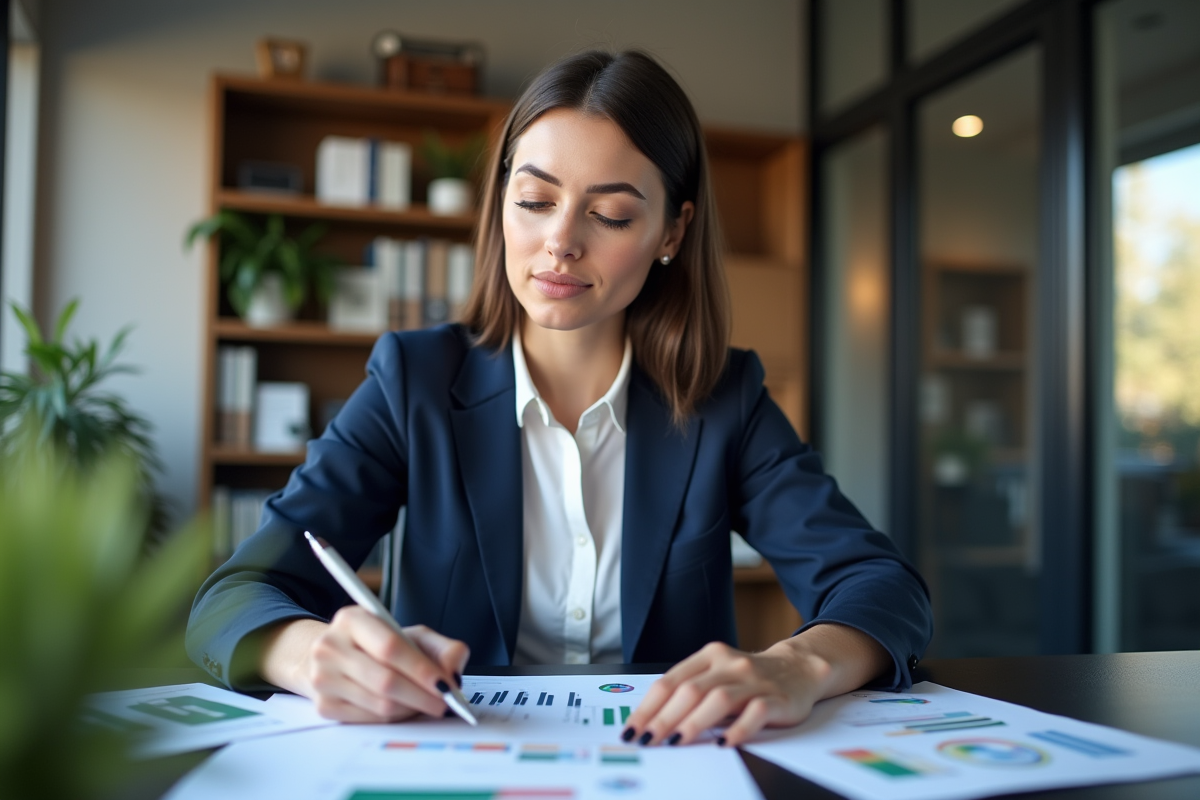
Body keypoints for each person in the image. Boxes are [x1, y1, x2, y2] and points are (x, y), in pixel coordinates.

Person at [187, 49, 932, 749]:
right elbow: (233, 597)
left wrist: (799, 664)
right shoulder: (413, 381)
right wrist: (314, 652)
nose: (560, 242)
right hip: (456, 759)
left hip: (667, 766)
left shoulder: (722, 399)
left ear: (673, 229)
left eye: (609, 215)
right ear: (501, 202)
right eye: (535, 200)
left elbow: (881, 586)